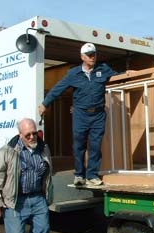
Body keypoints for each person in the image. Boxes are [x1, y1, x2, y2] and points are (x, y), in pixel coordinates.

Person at [39, 43, 117, 186]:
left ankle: (92, 175)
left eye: (94, 54)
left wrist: (130, 73)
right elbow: (58, 88)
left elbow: (118, 76)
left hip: (98, 115)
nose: (92, 57)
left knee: (95, 146)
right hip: (81, 115)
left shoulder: (103, 69)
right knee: (79, 146)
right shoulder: (73, 74)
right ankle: (79, 174)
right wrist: (45, 103)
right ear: (82, 57)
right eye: (89, 55)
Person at [0, 118, 53, 233]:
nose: (32, 137)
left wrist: (48, 194)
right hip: (15, 201)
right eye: (27, 135)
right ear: (20, 134)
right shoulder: (8, 151)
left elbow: (48, 174)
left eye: (34, 133)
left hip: (38, 199)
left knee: (43, 231)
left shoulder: (44, 149)